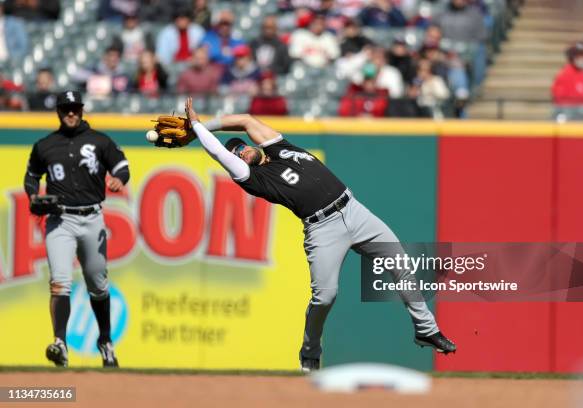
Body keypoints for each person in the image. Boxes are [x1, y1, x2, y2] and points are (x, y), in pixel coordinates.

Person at [182, 97, 457, 371]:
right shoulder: (253, 178)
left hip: (354, 210)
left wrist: (205, 123)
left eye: (240, 147)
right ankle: (310, 351)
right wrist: (196, 128)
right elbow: (219, 152)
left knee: (400, 264)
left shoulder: (279, 147)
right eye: (235, 154)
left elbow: (245, 120)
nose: (240, 152)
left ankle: (426, 329)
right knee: (325, 296)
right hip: (322, 229)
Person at [23, 91, 130, 368]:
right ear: (59, 112)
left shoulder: (99, 140)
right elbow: (31, 176)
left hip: (92, 217)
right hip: (60, 220)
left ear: (81, 110)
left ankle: (105, 341)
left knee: (97, 283)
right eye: (65, 108)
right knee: (60, 281)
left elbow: (122, 165)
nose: (71, 113)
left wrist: (119, 178)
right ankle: (60, 343)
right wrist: (33, 196)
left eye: (75, 108)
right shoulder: (45, 145)